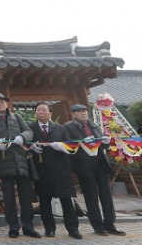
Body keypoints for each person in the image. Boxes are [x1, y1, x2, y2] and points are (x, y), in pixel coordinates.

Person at [0, 92, 40, 239]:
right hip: (4, 161)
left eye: (3, 102)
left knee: (26, 196)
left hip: (21, 160)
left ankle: (28, 226)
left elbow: (28, 131)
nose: (0, 104)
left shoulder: (17, 117)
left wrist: (22, 137)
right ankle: (13, 227)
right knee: (9, 198)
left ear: (7, 104)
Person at [64, 103, 125, 236]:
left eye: (85, 111)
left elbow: (104, 145)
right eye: (79, 111)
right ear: (73, 114)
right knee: (91, 197)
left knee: (106, 196)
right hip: (84, 165)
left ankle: (110, 224)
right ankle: (98, 226)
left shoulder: (94, 125)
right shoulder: (68, 127)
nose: (83, 113)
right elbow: (69, 145)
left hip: (100, 163)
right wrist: (84, 141)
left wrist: (106, 141)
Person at [28, 102, 82, 239]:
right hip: (41, 169)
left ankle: (73, 229)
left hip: (61, 169)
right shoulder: (30, 128)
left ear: (50, 113)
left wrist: (61, 146)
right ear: (35, 113)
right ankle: (49, 228)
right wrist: (31, 147)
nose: (41, 112)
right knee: (45, 201)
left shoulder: (60, 128)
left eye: (44, 110)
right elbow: (24, 144)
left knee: (66, 200)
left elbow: (70, 145)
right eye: (38, 110)